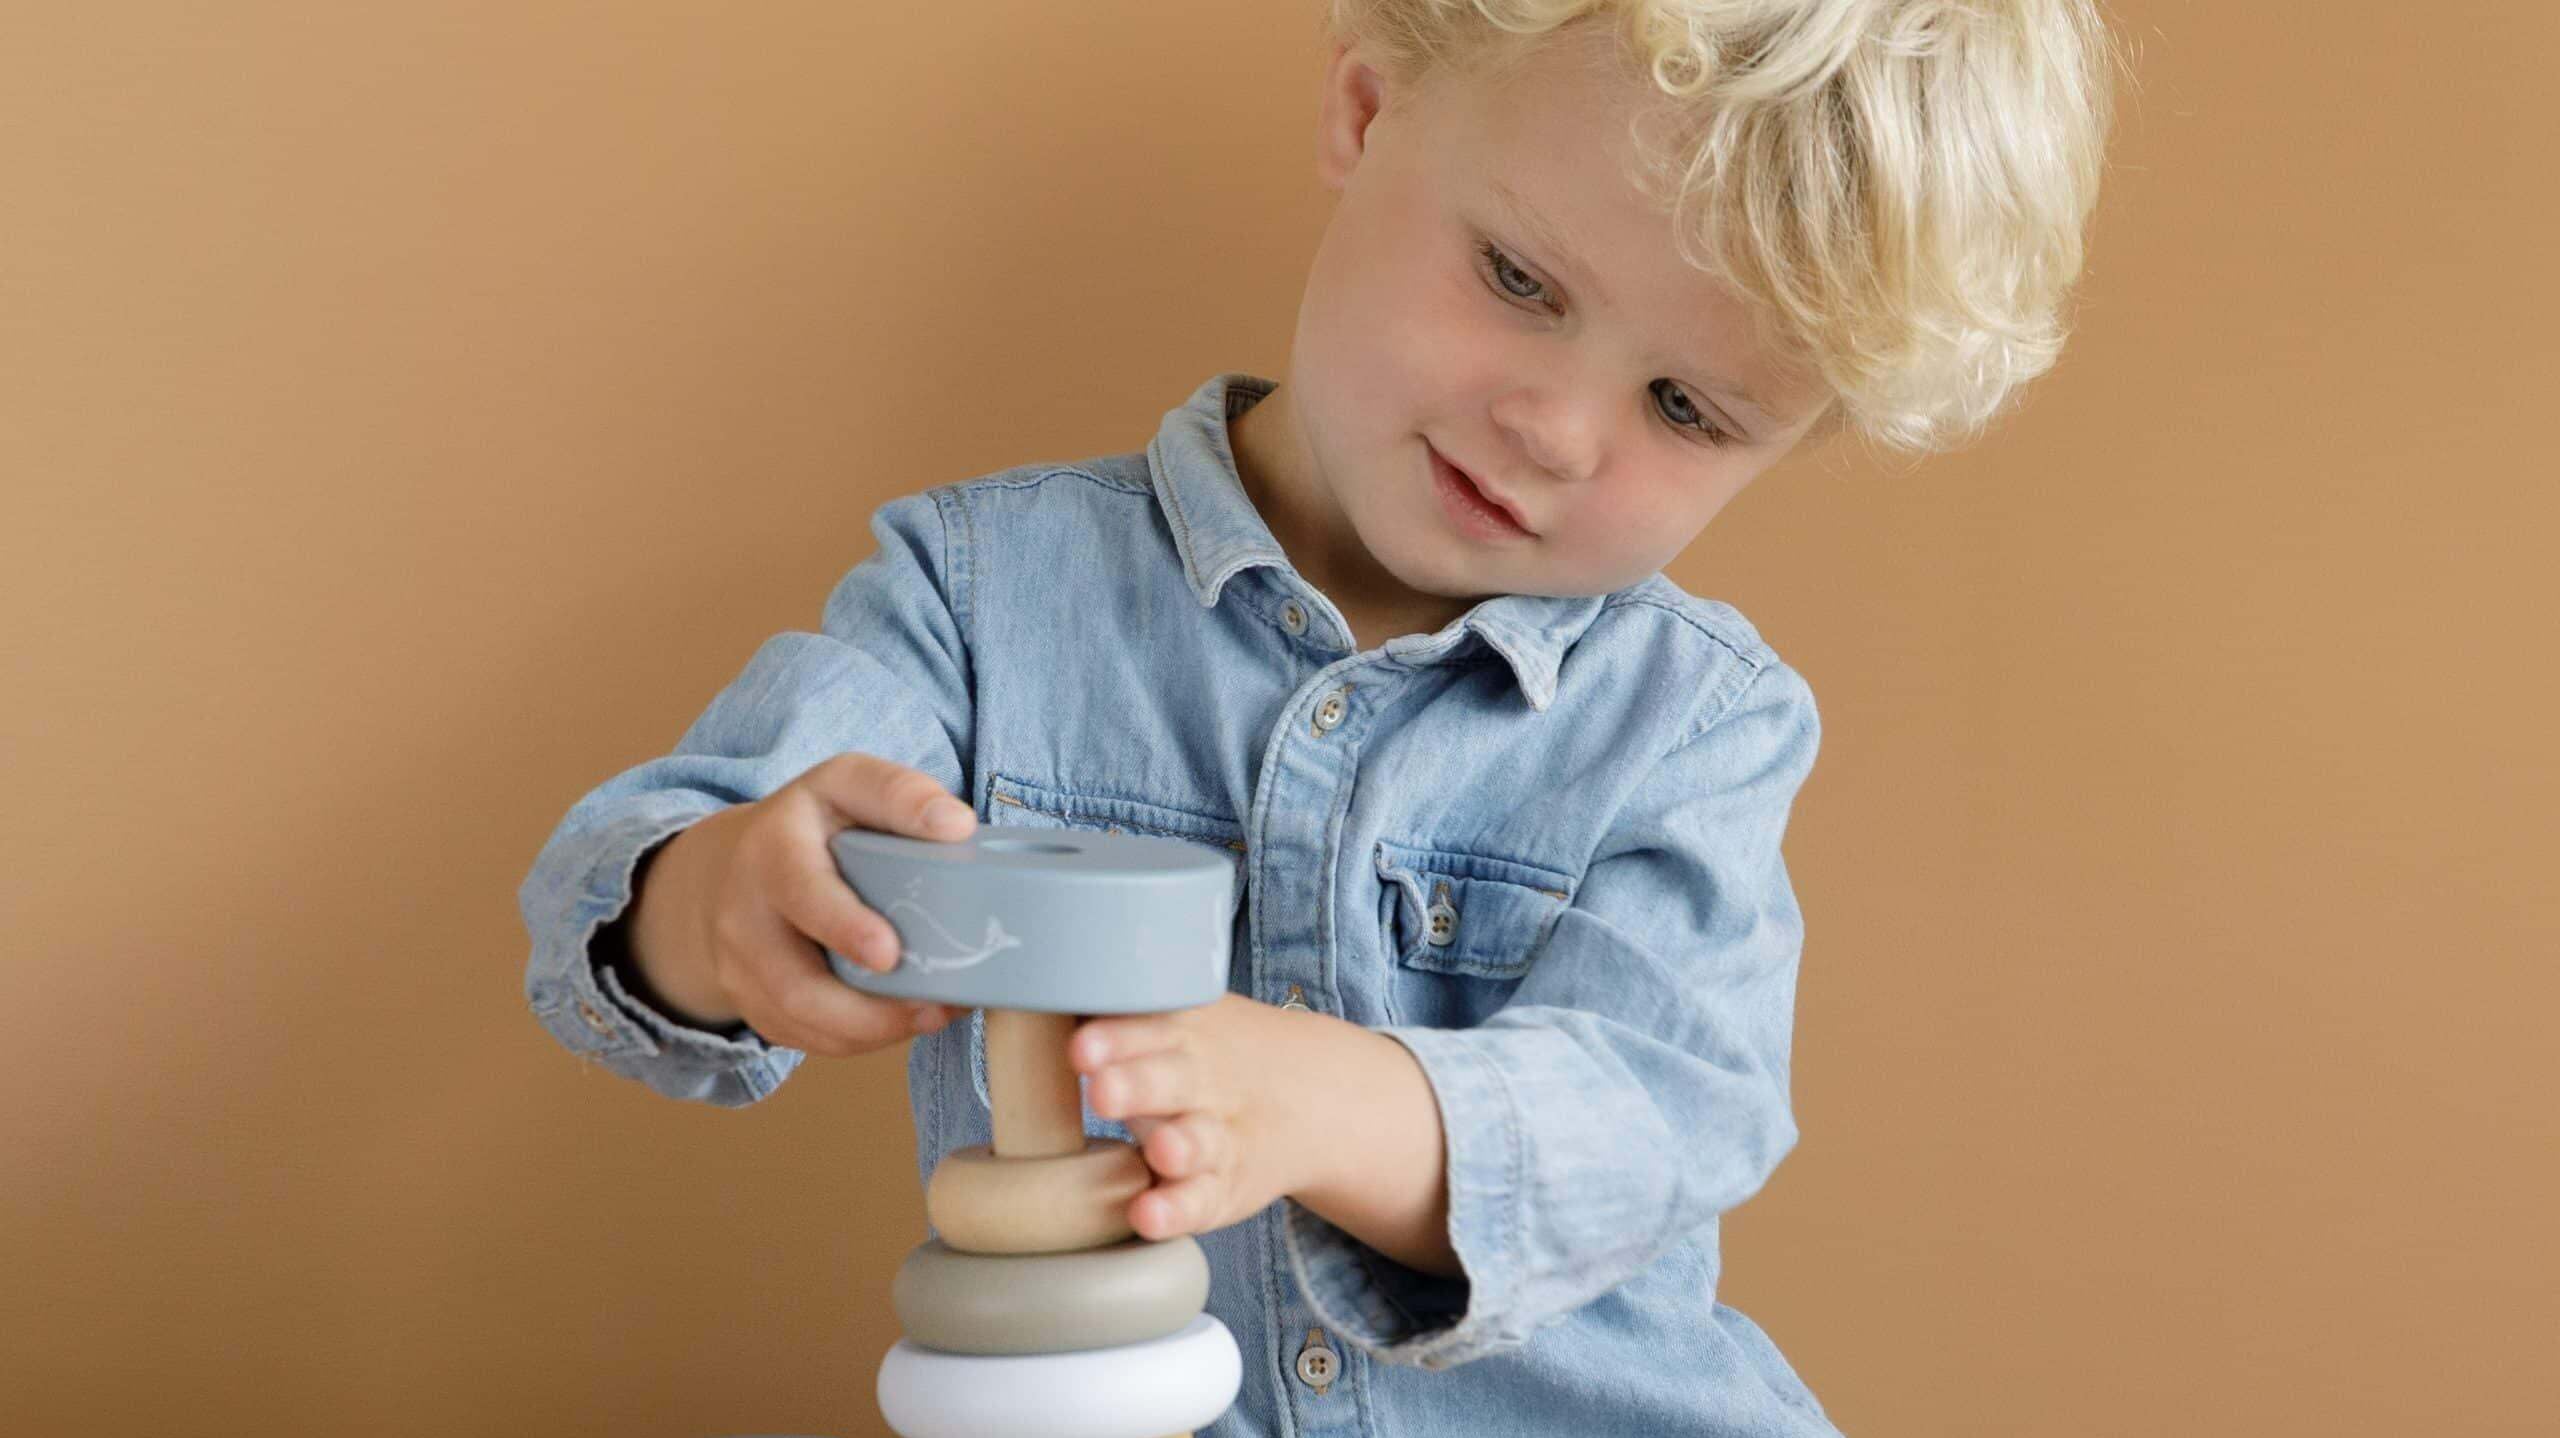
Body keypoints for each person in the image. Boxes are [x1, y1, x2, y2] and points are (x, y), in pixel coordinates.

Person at [519, 2, 2121, 1431]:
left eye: (1688, 408)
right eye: (1518, 278)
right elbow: (623, 878)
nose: (1556, 430)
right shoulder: (983, 595)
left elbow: (1664, 1105)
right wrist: (718, 902)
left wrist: (1324, 1100)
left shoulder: (1694, 724)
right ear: (1365, 107)